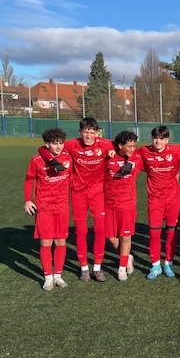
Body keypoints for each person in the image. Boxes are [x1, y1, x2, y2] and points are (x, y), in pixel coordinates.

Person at [39, 117, 114, 282]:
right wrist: (52, 161)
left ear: (97, 133)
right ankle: (84, 268)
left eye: (92, 132)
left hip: (98, 193)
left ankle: (97, 267)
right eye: (85, 132)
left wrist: (116, 154)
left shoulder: (105, 144)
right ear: (80, 132)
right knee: (81, 230)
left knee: (100, 230)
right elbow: (42, 149)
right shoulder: (72, 144)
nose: (88, 136)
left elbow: (126, 148)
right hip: (78, 194)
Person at [24, 128, 73, 291]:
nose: (58, 147)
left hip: (62, 206)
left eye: (61, 143)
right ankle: (47, 277)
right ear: (47, 144)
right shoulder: (36, 160)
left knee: (61, 241)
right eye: (54, 143)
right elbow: (29, 180)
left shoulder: (68, 158)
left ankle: (58, 275)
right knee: (46, 242)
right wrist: (27, 200)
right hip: (44, 207)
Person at [139, 126, 180, 280]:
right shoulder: (144, 151)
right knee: (154, 233)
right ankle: (155, 265)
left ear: (167, 140)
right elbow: (128, 153)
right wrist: (112, 152)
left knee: (171, 232)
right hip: (155, 199)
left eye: (161, 138)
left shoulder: (177, 150)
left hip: (173, 198)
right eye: (155, 138)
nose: (158, 141)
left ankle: (168, 263)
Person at [104, 131, 143, 282]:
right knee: (111, 237)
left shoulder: (137, 157)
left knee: (125, 236)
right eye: (129, 146)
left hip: (127, 203)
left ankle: (122, 267)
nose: (132, 149)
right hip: (109, 203)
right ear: (120, 146)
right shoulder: (109, 158)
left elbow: (142, 152)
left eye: (134, 146)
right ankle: (127, 257)